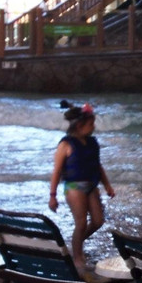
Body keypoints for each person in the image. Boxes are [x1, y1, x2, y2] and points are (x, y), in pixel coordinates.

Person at [48, 102, 115, 273]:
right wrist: (53, 195)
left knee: (98, 221)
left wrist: (107, 186)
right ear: (79, 126)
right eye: (91, 124)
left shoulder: (92, 142)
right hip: (74, 186)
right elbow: (56, 171)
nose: (93, 127)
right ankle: (78, 258)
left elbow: (98, 166)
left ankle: (76, 244)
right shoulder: (65, 144)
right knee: (81, 222)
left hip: (91, 185)